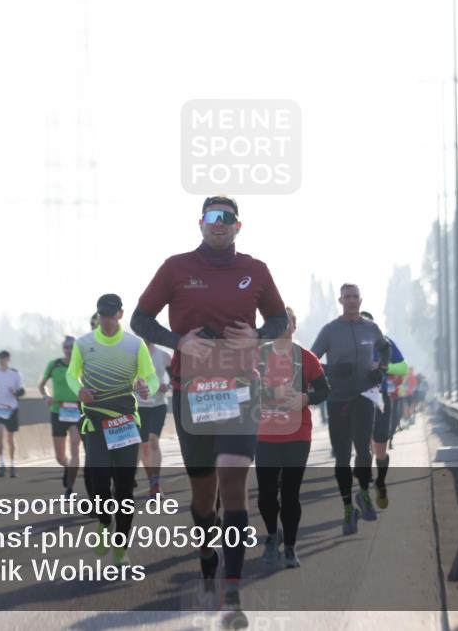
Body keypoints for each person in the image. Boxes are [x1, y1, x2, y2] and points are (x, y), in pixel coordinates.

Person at [132, 195, 288, 629]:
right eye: (211, 217)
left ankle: (232, 592)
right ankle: (206, 551)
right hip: (191, 393)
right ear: (200, 223)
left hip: (240, 390)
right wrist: (177, 340)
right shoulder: (175, 268)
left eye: (227, 218)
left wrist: (255, 338)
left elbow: (278, 322)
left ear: (239, 226)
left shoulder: (256, 271)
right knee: (204, 497)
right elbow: (141, 320)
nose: (219, 224)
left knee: (234, 485)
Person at [65, 294, 159, 566]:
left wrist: (147, 388)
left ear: (120, 314)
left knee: (125, 490)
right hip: (95, 421)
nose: (106, 321)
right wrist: (79, 390)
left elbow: (151, 378)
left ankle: (122, 546)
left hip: (126, 422)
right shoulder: (84, 344)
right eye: (102, 315)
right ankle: (105, 523)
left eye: (111, 314)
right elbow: (72, 375)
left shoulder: (134, 344)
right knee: (99, 478)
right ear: (98, 316)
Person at [311, 285, 390, 534]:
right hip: (339, 399)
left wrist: (382, 369)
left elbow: (385, 347)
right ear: (341, 300)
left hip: (365, 395)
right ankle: (348, 507)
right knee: (343, 457)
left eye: (356, 296)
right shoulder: (330, 330)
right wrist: (332, 371)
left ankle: (364, 494)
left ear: (361, 300)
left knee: (364, 451)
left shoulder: (370, 327)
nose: (352, 301)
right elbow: (312, 360)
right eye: (348, 297)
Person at [254, 307, 328, 568]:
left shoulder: (306, 358)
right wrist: (273, 392)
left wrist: (306, 398)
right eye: (278, 321)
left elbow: (323, 390)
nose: (284, 326)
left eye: (288, 322)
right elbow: (245, 387)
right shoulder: (257, 357)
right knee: (265, 495)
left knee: (290, 493)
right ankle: (273, 535)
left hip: (298, 434)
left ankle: (291, 548)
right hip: (265, 434)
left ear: (294, 326)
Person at [40, 337, 83, 496]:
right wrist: (47, 397)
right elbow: (42, 385)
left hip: (77, 410)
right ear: (63, 348)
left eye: (72, 347)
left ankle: (70, 487)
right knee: (59, 456)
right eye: (66, 347)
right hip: (58, 411)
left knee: (75, 446)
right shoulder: (54, 364)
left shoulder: (81, 364)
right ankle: (67, 467)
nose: (69, 350)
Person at [137, 338, 172, 498]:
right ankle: (152, 482)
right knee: (144, 446)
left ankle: (156, 483)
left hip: (158, 405)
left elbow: (174, 379)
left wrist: (168, 386)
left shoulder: (164, 356)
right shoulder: (133, 355)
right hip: (139, 406)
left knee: (153, 440)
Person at [0, 350, 25, 477]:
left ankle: (12, 463)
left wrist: (15, 393)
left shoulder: (15, 374)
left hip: (11, 408)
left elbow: (22, 391)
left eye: (4, 358)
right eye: (0, 358)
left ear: (8, 360)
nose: (2, 360)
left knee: (10, 438)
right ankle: (1, 463)